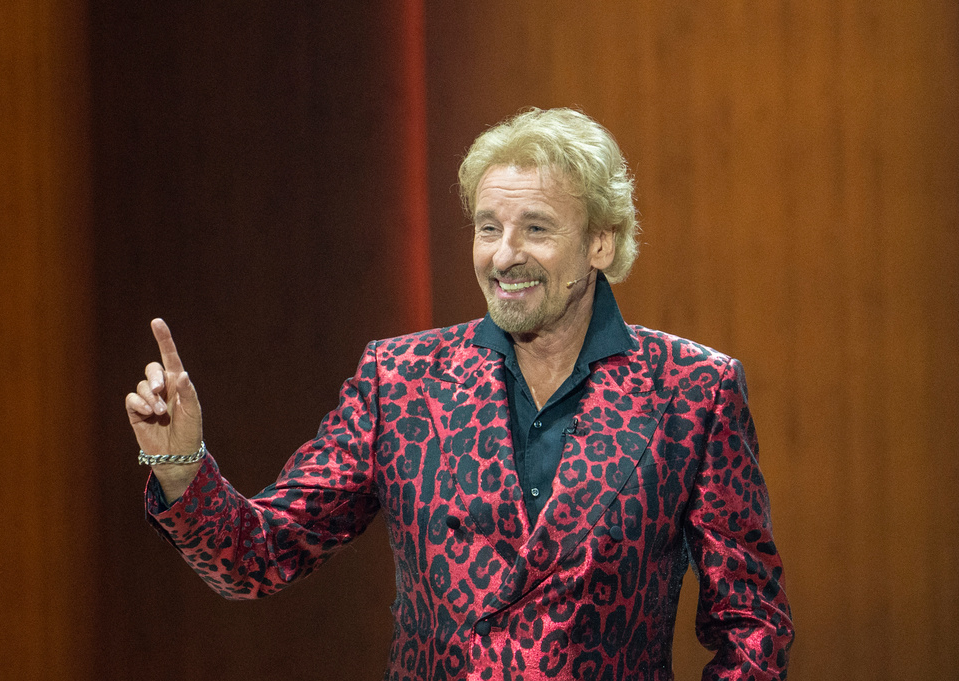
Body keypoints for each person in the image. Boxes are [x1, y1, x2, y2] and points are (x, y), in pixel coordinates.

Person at [127, 108, 793, 680]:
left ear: (600, 242)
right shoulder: (400, 381)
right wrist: (180, 468)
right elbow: (259, 556)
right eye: (488, 227)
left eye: (536, 228)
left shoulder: (691, 391)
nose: (504, 256)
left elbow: (753, 628)